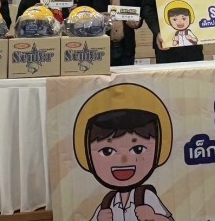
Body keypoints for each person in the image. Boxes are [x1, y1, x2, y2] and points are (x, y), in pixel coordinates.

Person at [74, 84, 174, 221]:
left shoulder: (146, 197)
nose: (124, 159)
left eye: (138, 149)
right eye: (107, 151)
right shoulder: (107, 203)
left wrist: (154, 217)